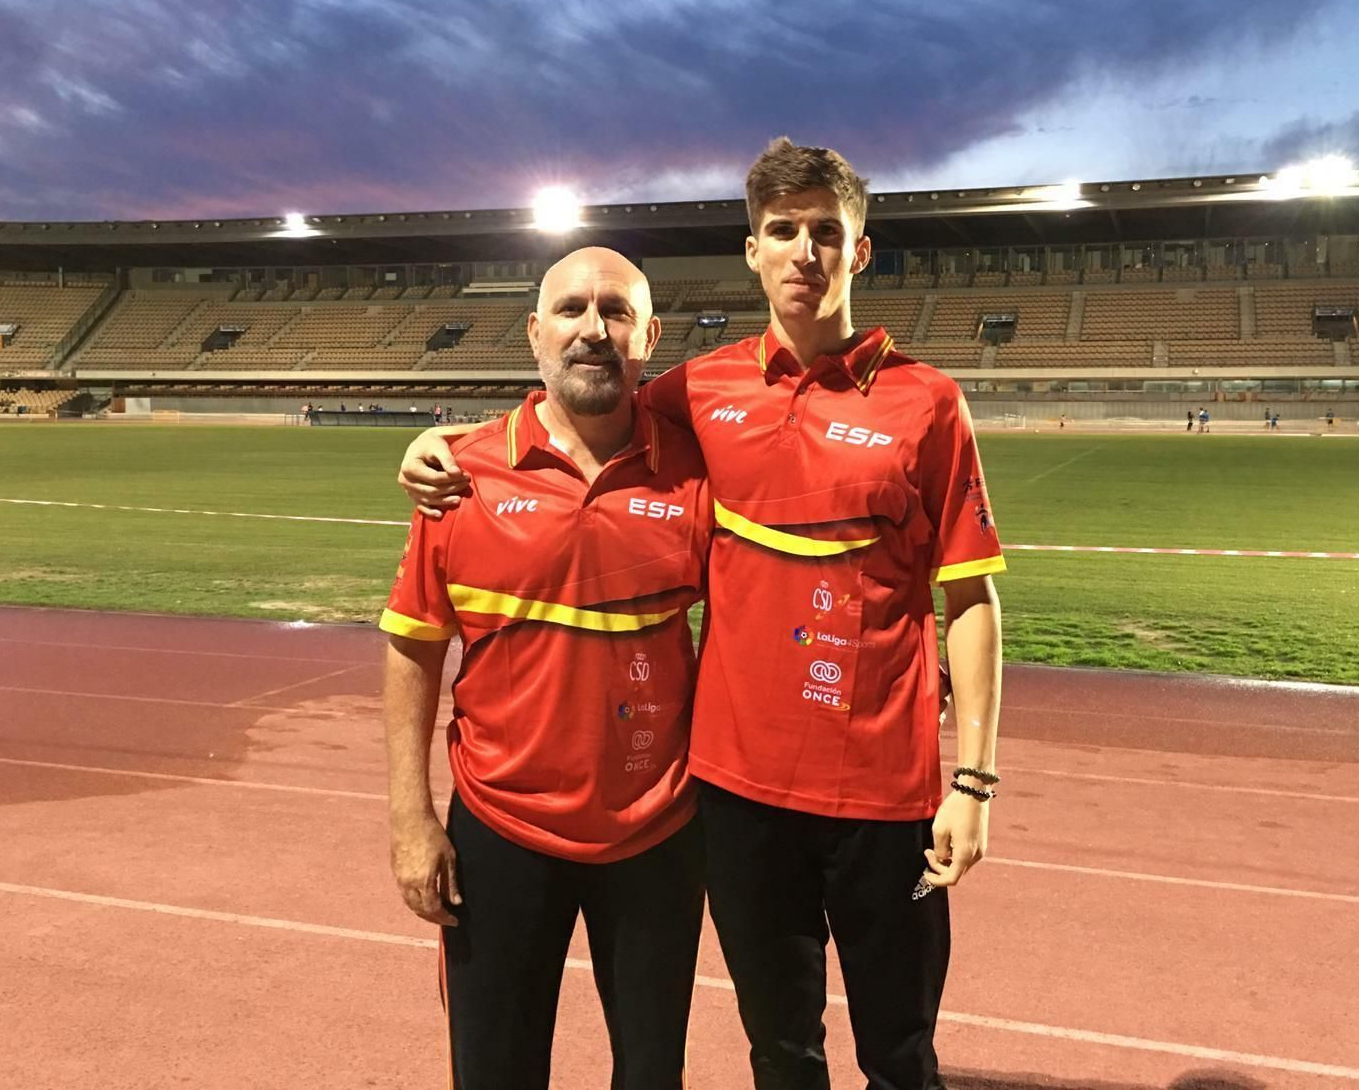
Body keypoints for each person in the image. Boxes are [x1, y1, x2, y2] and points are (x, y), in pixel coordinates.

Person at [399, 139, 1005, 1090]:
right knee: (783, 1053)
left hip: (886, 794)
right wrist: (441, 444)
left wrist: (973, 781)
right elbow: (583, 403)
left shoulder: (929, 402)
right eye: (781, 231)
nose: (804, 250)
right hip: (738, 793)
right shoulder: (703, 391)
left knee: (899, 1053)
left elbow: (970, 594)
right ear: (753, 252)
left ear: (861, 251)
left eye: (824, 232)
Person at [380, 247, 712, 1090]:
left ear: (650, 337)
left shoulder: (700, 473)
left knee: (650, 1076)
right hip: (500, 828)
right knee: (493, 1072)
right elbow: (415, 645)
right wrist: (412, 820)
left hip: (656, 831)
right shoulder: (464, 477)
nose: (592, 330)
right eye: (570, 310)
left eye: (616, 312)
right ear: (535, 333)